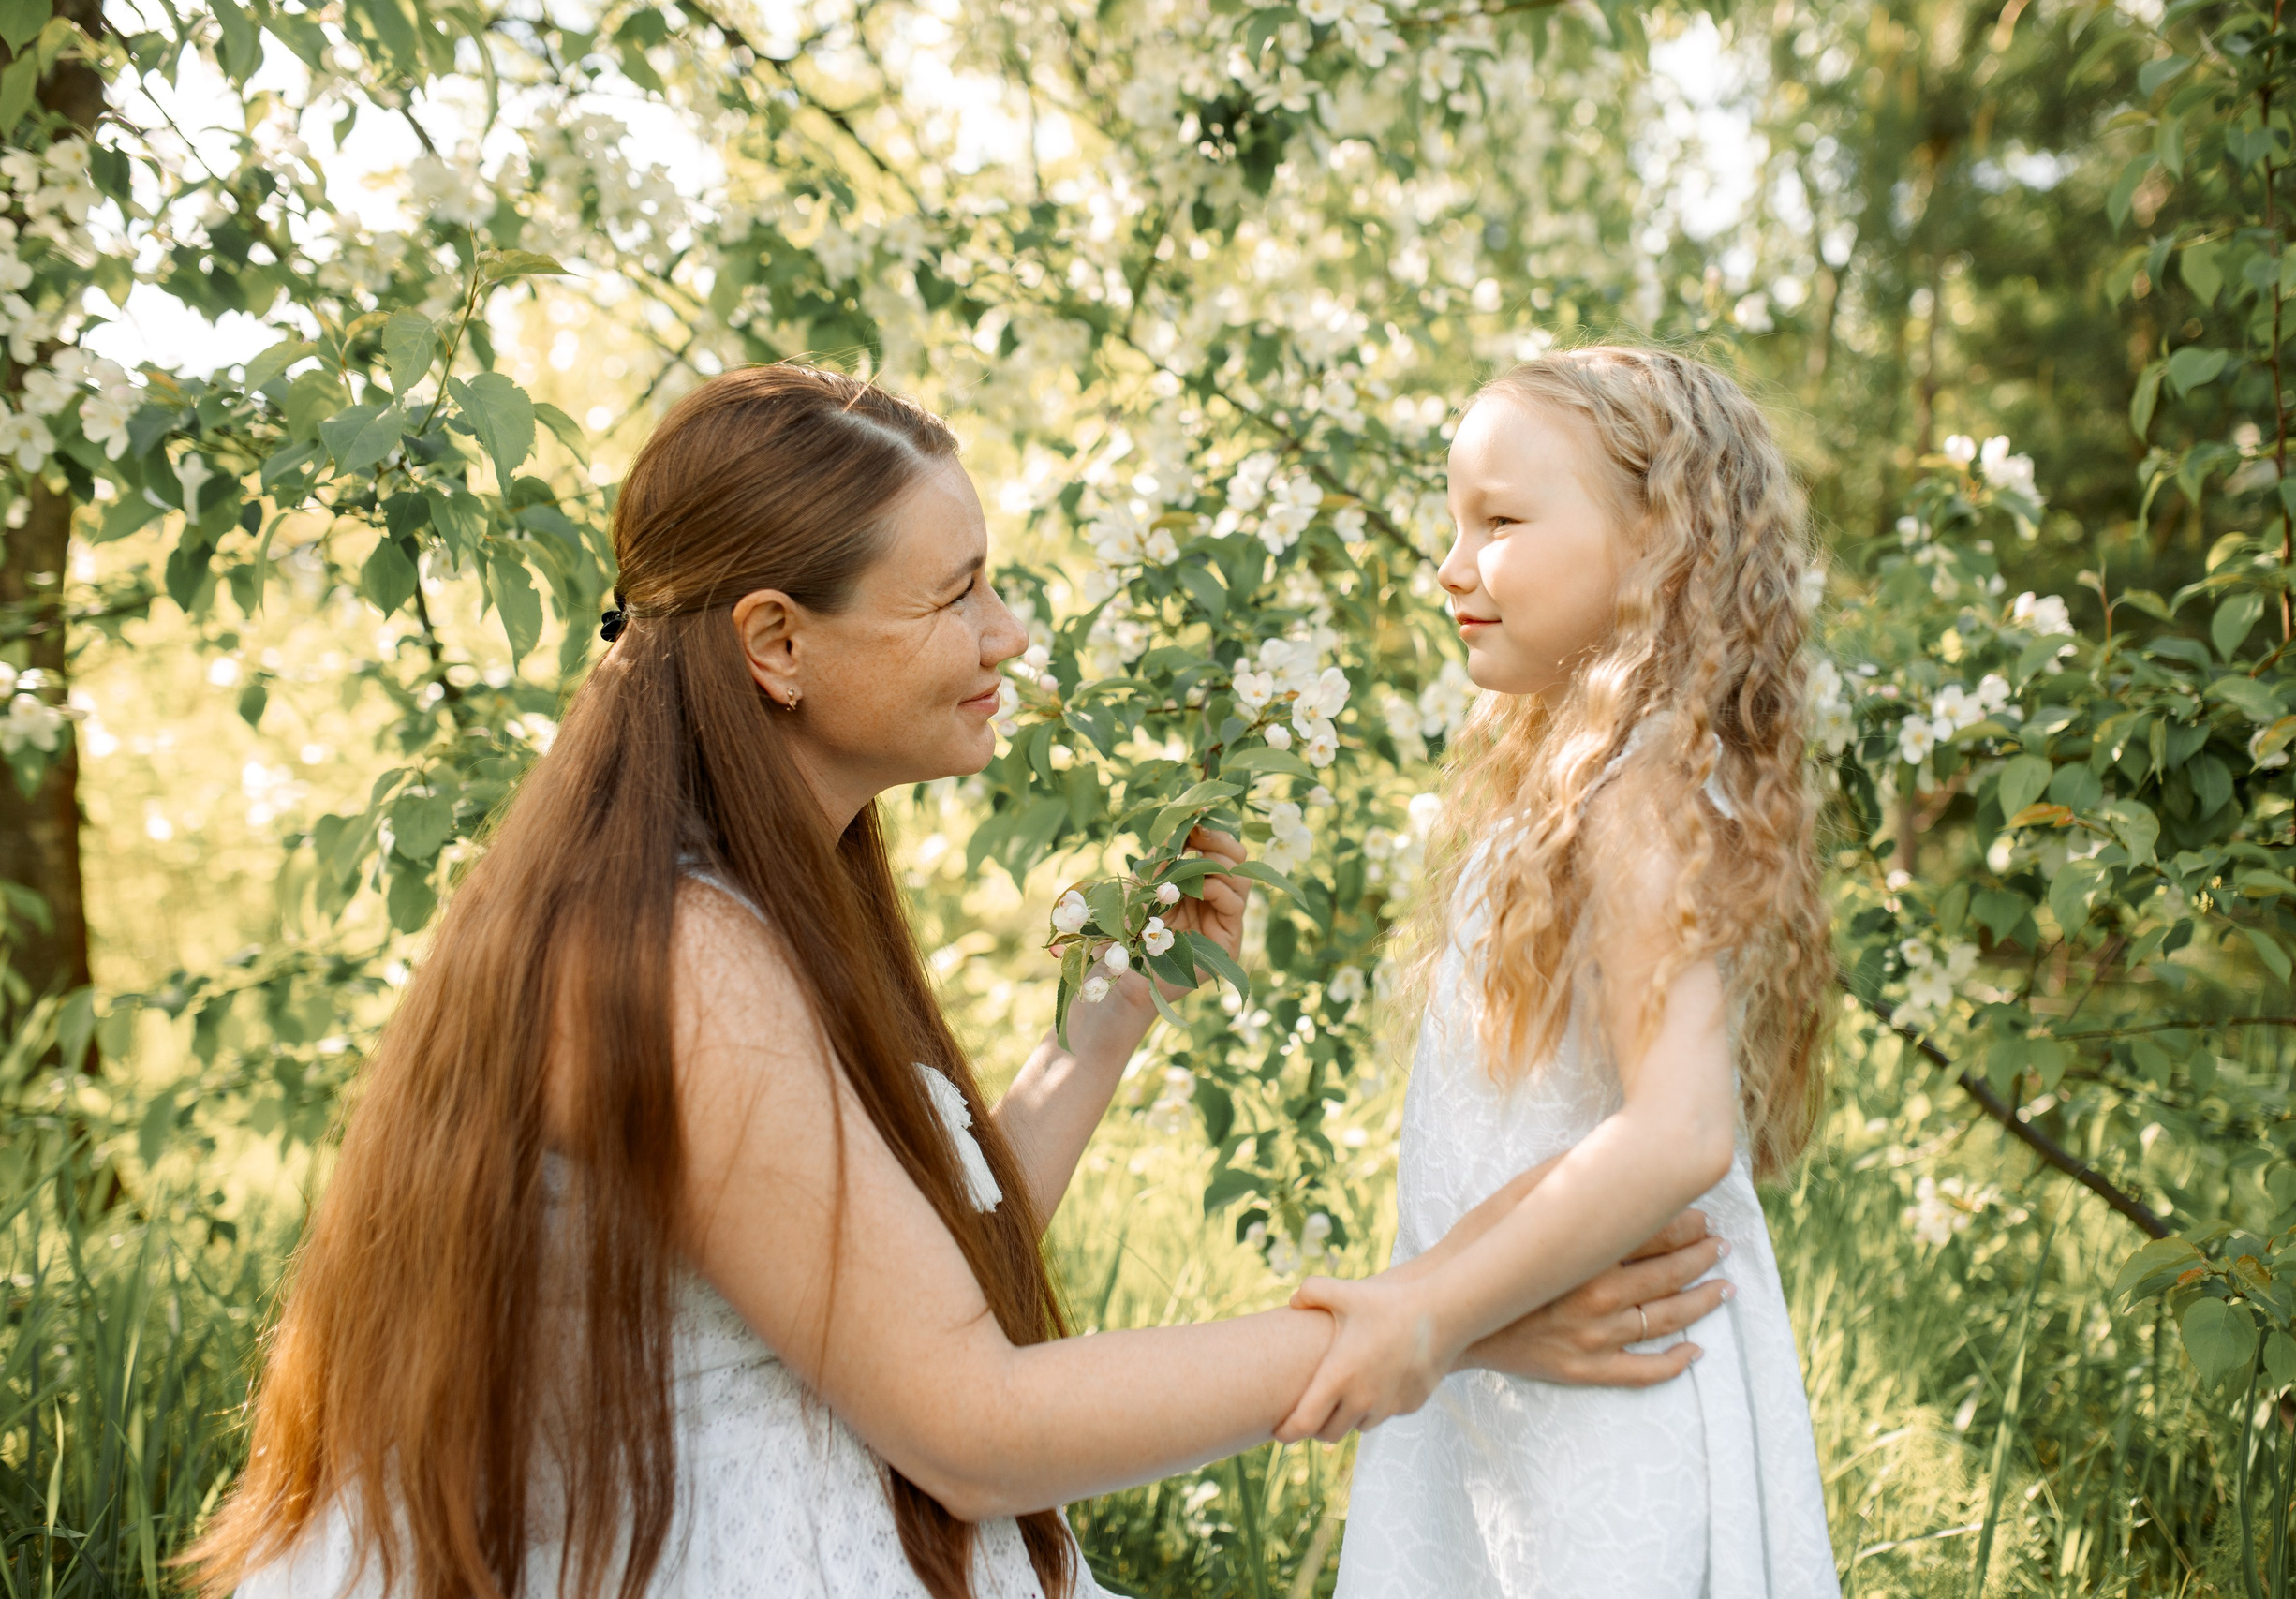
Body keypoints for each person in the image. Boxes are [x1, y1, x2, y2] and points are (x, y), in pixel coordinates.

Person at [185, 363, 1736, 1599]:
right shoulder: (679, 957)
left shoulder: (757, 893)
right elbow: (976, 1428)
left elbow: (906, 1274)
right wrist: (1421, 1327)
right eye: (956, 596)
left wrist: (1109, 1023)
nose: (1008, 635)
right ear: (776, 643)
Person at [1288, 346, 1842, 1596]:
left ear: (1657, 550)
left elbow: (1681, 1130)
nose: (1451, 565)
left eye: (1499, 523)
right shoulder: (1575, 783)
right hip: (1514, 1366)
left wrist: (1430, 1311)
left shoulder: (1642, 796)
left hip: (1608, 1406)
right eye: (1455, 522)